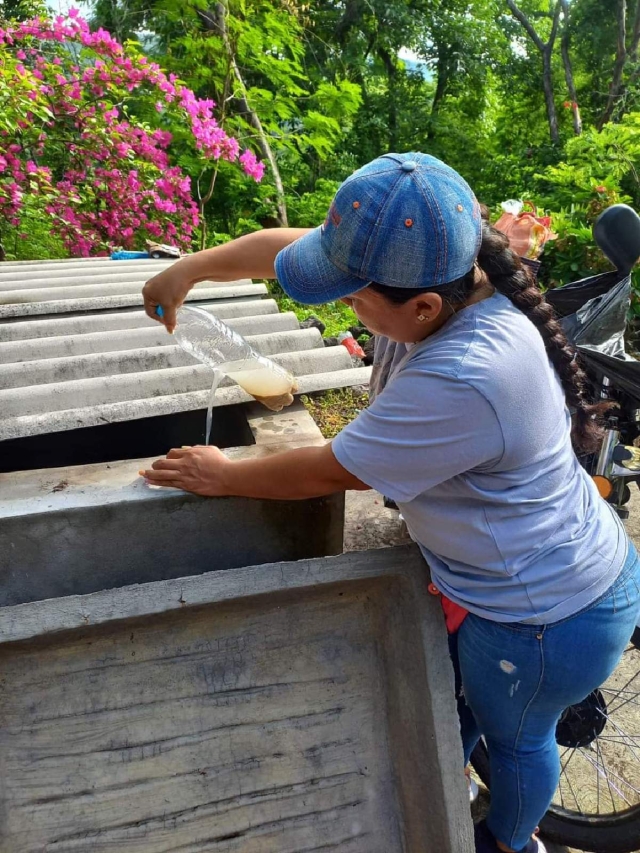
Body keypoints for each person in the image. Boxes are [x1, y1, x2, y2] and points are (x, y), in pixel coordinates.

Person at [141, 152, 640, 853]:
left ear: (424, 306)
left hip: (546, 617)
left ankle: (509, 840)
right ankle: (450, 778)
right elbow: (280, 249)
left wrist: (225, 473)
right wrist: (186, 268)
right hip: (537, 576)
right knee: (460, 702)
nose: (347, 302)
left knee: (519, 738)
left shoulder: (465, 376)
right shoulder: (445, 276)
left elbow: (327, 469)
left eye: (351, 296)